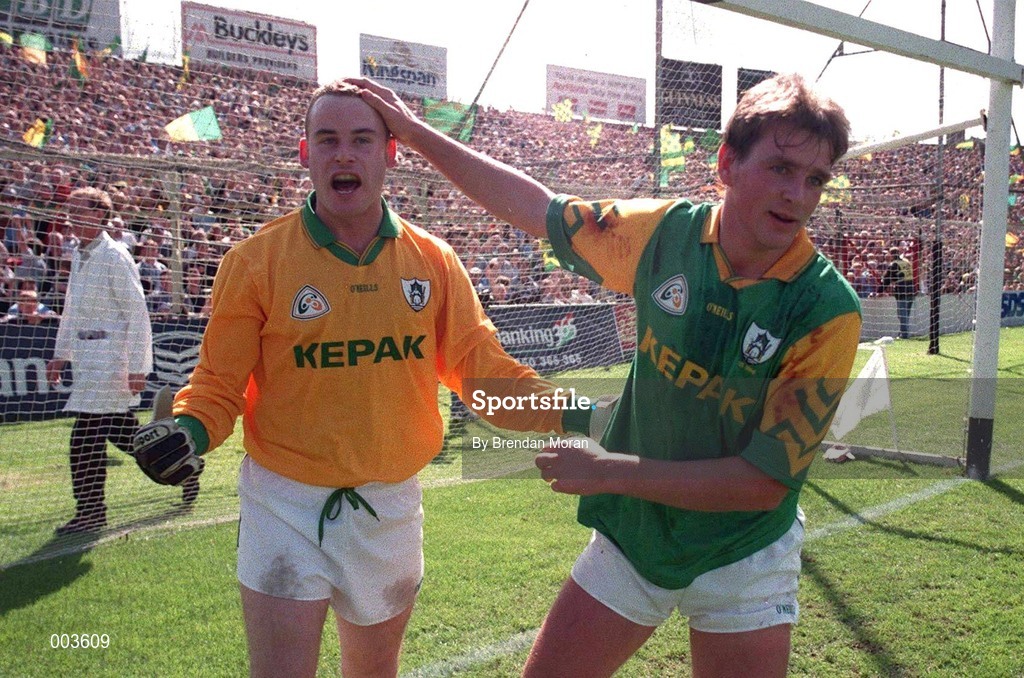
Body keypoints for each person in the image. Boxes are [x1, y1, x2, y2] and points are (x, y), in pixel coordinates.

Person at [351, 72, 862, 678]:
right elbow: (537, 210)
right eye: (781, 168)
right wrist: (414, 133)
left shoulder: (827, 310)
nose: (799, 195)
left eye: (816, 180)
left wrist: (608, 471)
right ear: (727, 162)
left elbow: (762, 484)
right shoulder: (662, 235)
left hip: (743, 551)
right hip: (635, 537)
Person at [129, 80, 588, 678]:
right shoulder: (255, 261)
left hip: (389, 505)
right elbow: (217, 385)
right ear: (306, 155)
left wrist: (584, 413)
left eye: (361, 140)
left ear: (389, 154)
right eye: (328, 140)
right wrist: (188, 431)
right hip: (284, 503)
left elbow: (486, 376)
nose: (344, 154)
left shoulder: (433, 260)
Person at [44, 187, 199, 535]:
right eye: (68, 209)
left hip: (112, 360)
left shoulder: (115, 256)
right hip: (87, 360)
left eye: (77, 209)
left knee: (84, 438)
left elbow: (137, 312)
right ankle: (185, 466)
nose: (70, 216)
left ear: (99, 215)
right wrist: (60, 355)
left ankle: (91, 512)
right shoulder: (78, 254)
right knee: (126, 436)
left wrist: (138, 367)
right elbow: (70, 309)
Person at [881, 245, 916, 338]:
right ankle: (902, 333)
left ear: (891, 255)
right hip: (911, 289)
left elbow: (887, 279)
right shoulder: (906, 262)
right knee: (906, 314)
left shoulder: (894, 264)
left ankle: (904, 335)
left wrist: (880, 291)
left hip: (902, 290)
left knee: (902, 314)